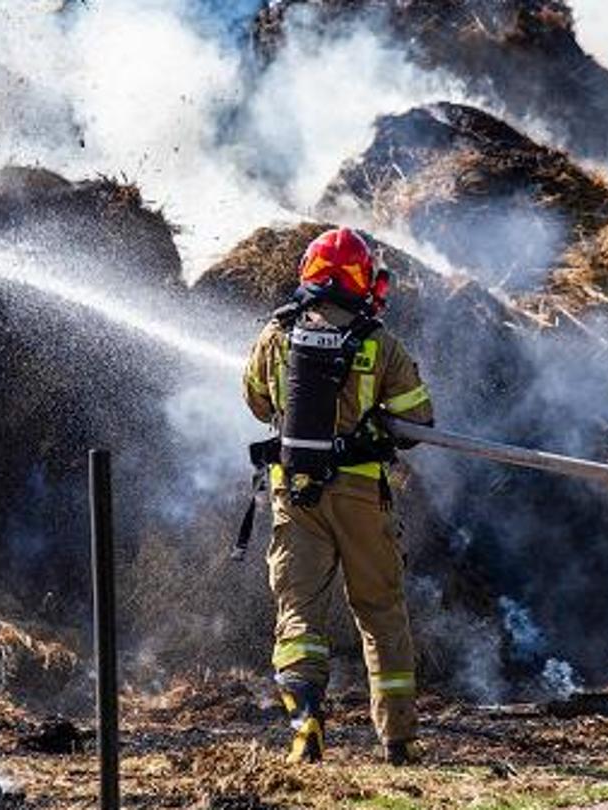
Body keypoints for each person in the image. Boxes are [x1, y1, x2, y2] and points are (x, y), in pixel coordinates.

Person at [241, 227, 435, 766]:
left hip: (295, 496)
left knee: (299, 612)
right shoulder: (379, 344)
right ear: (362, 279)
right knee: (380, 611)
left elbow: (258, 404)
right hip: (360, 499)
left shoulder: (277, 334)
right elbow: (418, 424)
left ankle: (305, 721)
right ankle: (397, 740)